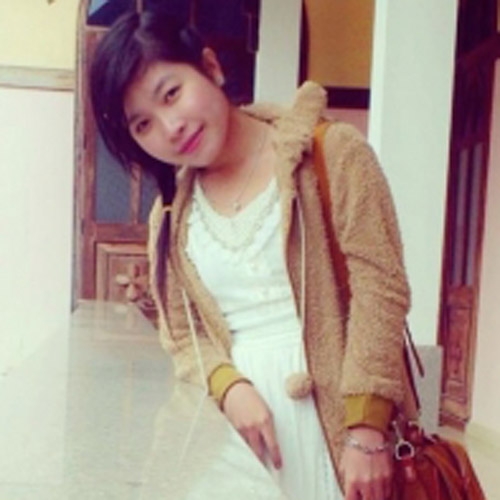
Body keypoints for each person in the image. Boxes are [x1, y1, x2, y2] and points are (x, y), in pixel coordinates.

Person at [90, 10, 416, 500]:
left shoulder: (331, 155)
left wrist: (366, 429)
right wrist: (228, 387)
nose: (170, 127)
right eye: (143, 124)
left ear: (210, 67)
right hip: (235, 440)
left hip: (340, 430)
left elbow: (380, 288)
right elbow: (183, 334)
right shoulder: (172, 218)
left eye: (171, 93)